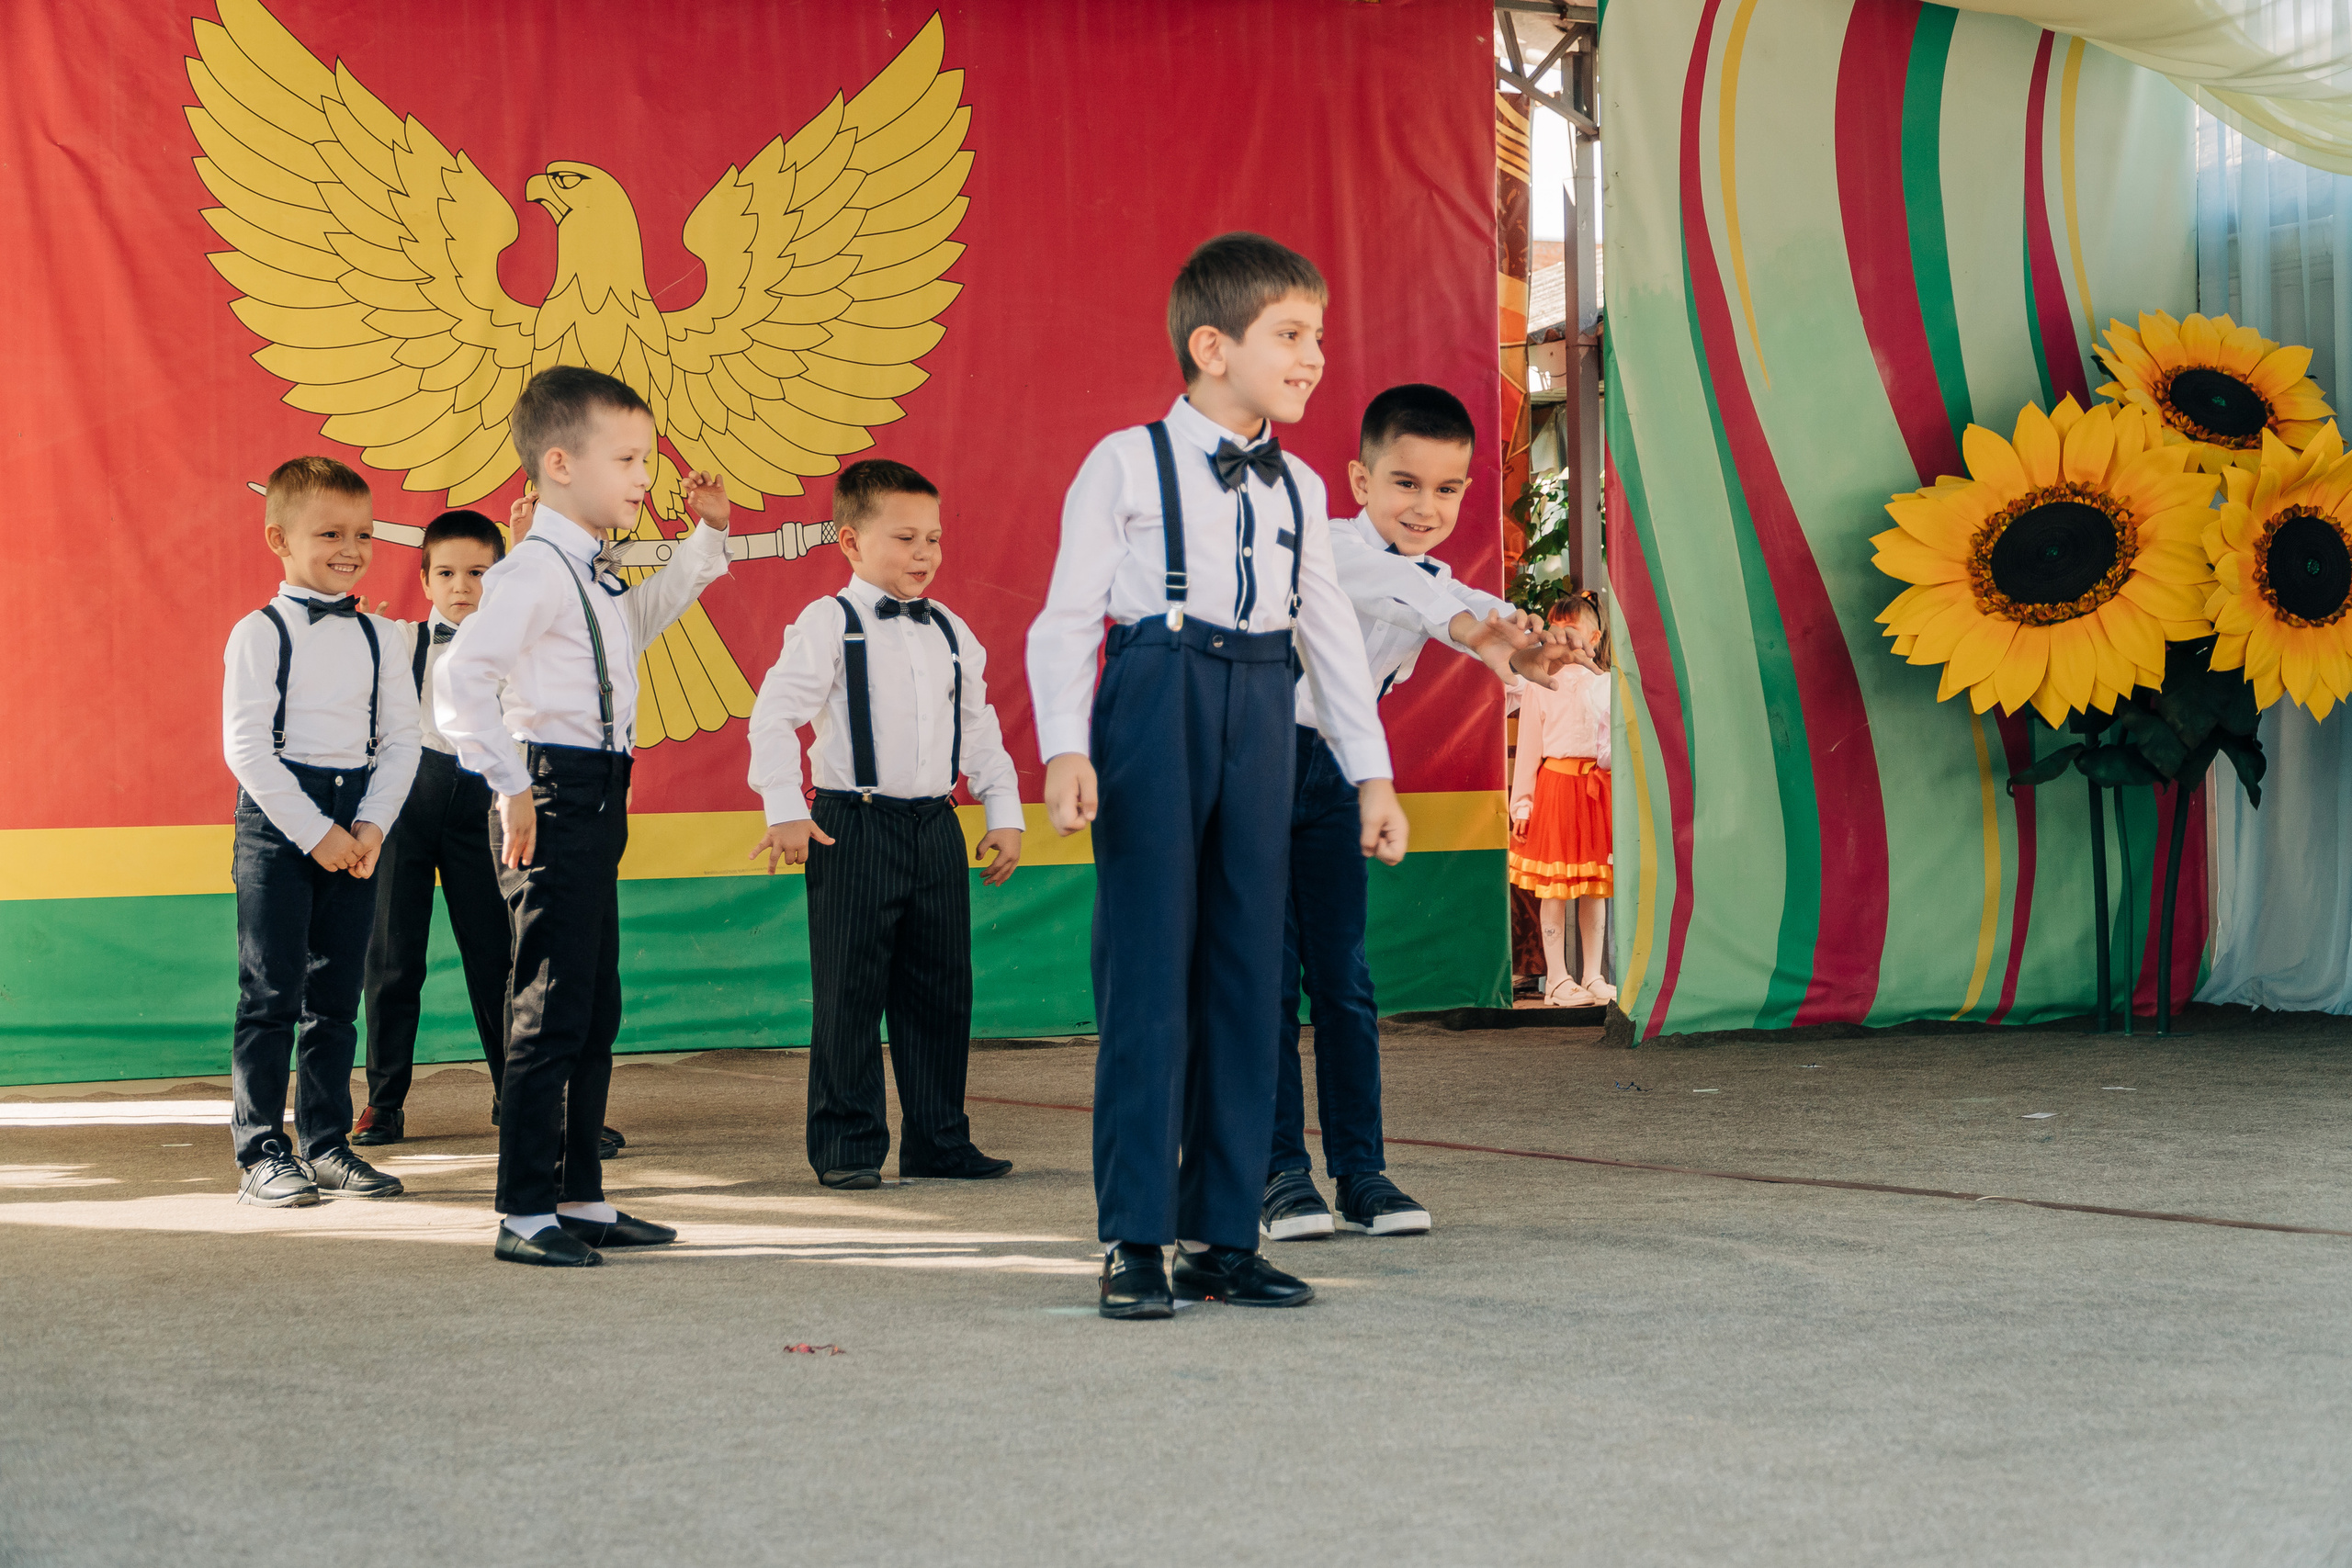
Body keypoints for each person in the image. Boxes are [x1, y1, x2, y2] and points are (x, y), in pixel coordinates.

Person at [1028, 231, 1407, 1321]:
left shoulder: (1293, 489)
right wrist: (1065, 744)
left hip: (1261, 707)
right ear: (1211, 347)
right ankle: (1136, 1237)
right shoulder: (1124, 461)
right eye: (1289, 336)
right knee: (1149, 973)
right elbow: (1065, 619)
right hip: (1156, 691)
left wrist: (1369, 774)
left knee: (1249, 973)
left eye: (1318, 338)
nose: (1313, 358)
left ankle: (1223, 1234)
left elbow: (1328, 632)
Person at [1261, 384, 1588, 1244]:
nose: (1426, 506)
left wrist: (1525, 647)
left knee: (1345, 980)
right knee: (1264, 979)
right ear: (1358, 480)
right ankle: (1279, 1174)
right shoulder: (1327, 544)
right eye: (1405, 483)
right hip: (1250, 765)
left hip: (1337, 772)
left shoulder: (1432, 575)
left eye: (1447, 490)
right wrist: (1490, 638)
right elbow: (1433, 608)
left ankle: (1362, 1174)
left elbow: (1461, 608)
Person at [435, 366, 731, 1267]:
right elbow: (460, 680)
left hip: (601, 790)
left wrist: (706, 533)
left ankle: (577, 1195)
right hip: (553, 796)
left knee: (593, 1004)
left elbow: (639, 622)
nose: (646, 475)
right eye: (629, 458)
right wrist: (511, 783)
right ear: (559, 463)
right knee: (550, 1003)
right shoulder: (530, 571)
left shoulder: (588, 575)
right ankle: (524, 1211)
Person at [746, 459, 1025, 1190]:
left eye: (932, 537)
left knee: (940, 988)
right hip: (853, 824)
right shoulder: (826, 622)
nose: (924, 554)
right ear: (850, 540)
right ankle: (847, 1144)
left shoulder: (954, 632)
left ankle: (938, 1138)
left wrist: (1004, 811)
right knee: (850, 988)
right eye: (905, 538)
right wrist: (787, 809)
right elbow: (774, 714)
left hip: (935, 826)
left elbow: (981, 729)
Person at [221, 456, 421, 1206]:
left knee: (337, 996)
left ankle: (329, 1142)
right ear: (279, 537)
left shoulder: (378, 635)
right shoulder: (259, 632)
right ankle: (263, 1152)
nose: (351, 547)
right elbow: (245, 748)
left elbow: (403, 740)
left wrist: (369, 825)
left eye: (364, 534)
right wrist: (317, 833)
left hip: (357, 815)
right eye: (330, 532)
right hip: (279, 820)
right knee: (270, 991)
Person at [352, 510, 511, 1148]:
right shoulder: (397, 638)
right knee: (390, 959)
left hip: (488, 806)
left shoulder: (522, 649)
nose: (462, 585)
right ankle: (383, 1105)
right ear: (424, 580)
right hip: (406, 806)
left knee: (501, 958)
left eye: (479, 572)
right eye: (446, 572)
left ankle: (521, 1096)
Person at [1508, 591, 1614, 1008]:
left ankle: (1593, 976)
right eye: (1558, 630)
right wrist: (1523, 803)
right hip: (1555, 788)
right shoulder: (1539, 684)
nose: (1566, 639)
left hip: (1594, 791)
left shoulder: (1606, 683)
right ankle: (1556, 978)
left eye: (1575, 630)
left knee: (1594, 888)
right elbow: (1530, 746)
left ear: (1596, 635)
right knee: (1553, 887)